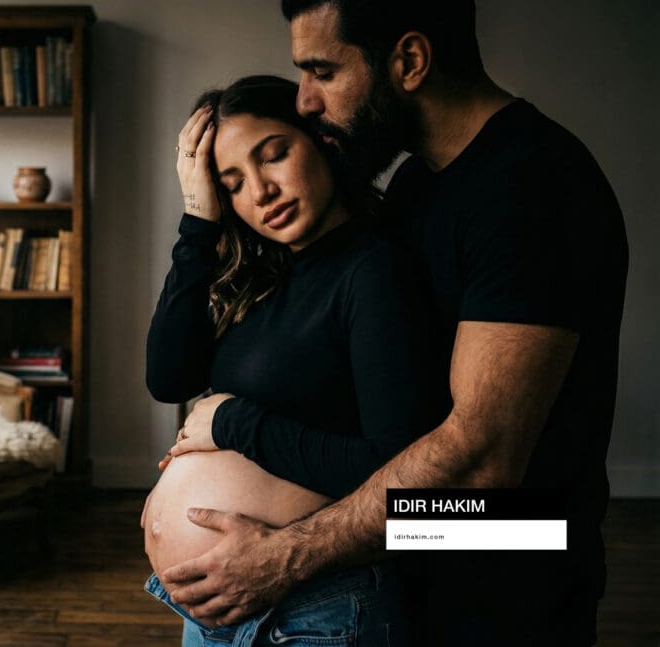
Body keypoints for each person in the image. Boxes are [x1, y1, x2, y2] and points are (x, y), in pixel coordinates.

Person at [157, 0, 628, 645]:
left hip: (510, 587)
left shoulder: (532, 183)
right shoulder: (414, 185)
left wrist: (287, 553)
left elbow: (484, 469)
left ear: (409, 60)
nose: (307, 101)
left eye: (322, 70)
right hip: (403, 582)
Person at [143, 75, 446, 646]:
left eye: (274, 155)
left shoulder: (374, 272)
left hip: (317, 607)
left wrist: (231, 422)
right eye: (232, 183)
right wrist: (197, 221)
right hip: (220, 605)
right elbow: (167, 378)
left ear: (321, 142)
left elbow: (400, 476)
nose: (261, 192)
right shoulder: (265, 278)